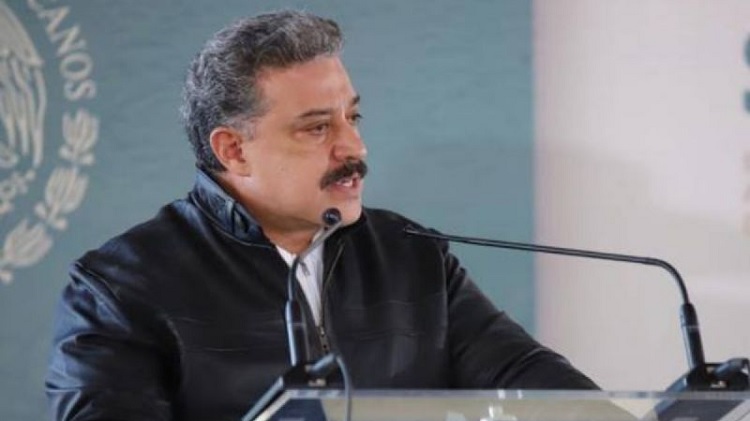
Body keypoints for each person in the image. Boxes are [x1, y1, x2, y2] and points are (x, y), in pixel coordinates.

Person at [46, 10, 597, 421]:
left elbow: (529, 379)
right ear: (233, 150)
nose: (354, 147)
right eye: (317, 128)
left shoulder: (410, 253)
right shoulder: (119, 289)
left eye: (352, 118)